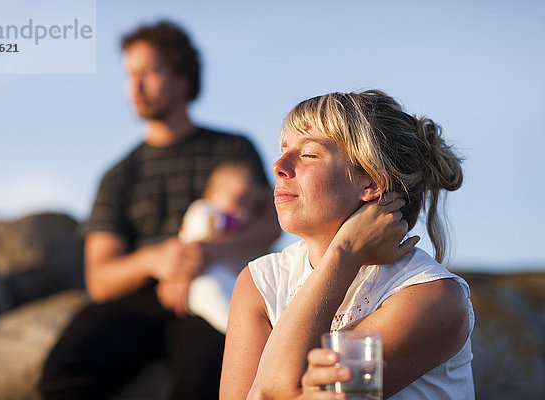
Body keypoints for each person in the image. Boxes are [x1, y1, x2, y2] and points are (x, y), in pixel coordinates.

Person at [40, 21, 280, 400]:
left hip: (217, 290)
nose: (135, 87)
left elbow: (272, 222)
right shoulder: (119, 176)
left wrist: (202, 254)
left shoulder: (234, 150)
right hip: (140, 301)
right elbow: (100, 278)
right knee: (63, 371)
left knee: (208, 377)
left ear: (183, 78)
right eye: (129, 75)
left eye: (149, 72)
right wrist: (155, 260)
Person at [220, 90, 474, 399]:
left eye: (308, 153)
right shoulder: (260, 282)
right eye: (284, 149)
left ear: (371, 182)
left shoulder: (431, 298)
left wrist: (344, 253)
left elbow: (271, 393)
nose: (278, 165)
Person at [179, 162, 265, 333]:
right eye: (237, 199)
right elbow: (203, 227)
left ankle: (253, 331)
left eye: (247, 202)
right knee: (214, 296)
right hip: (200, 277)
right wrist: (234, 221)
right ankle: (240, 333)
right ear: (212, 193)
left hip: (227, 276)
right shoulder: (203, 209)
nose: (242, 207)